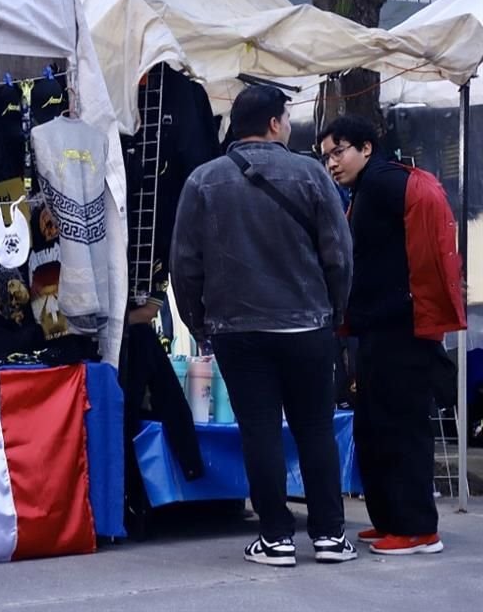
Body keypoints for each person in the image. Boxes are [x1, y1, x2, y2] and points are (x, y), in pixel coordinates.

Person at [170, 85, 355, 567]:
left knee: (260, 431)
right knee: (315, 429)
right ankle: (330, 536)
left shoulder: (203, 181)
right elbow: (339, 253)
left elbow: (184, 265)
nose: (289, 125)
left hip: (237, 330)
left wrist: (200, 322)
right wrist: (334, 312)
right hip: (307, 325)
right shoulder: (311, 174)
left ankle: (275, 537)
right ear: (274, 123)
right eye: (287, 118)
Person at [318, 115, 465, 556]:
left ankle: (418, 529)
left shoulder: (383, 184)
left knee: (400, 427)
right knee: (377, 425)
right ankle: (391, 520)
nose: (331, 163)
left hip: (400, 327)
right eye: (326, 156)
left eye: (339, 151)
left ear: (366, 148)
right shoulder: (369, 188)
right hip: (385, 325)